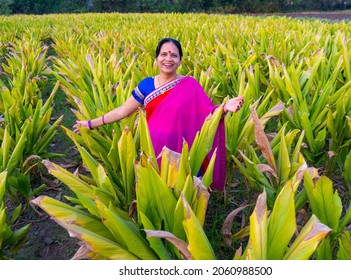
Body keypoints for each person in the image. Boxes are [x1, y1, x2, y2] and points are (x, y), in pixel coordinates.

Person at [73, 38, 244, 190]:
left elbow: (207, 114)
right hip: (153, 149)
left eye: (174, 55)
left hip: (182, 150)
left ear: (180, 61)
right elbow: (122, 111)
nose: (168, 59)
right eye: (163, 54)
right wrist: (90, 123)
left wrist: (223, 108)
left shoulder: (190, 85)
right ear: (156, 59)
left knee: (184, 192)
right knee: (157, 191)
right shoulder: (146, 85)